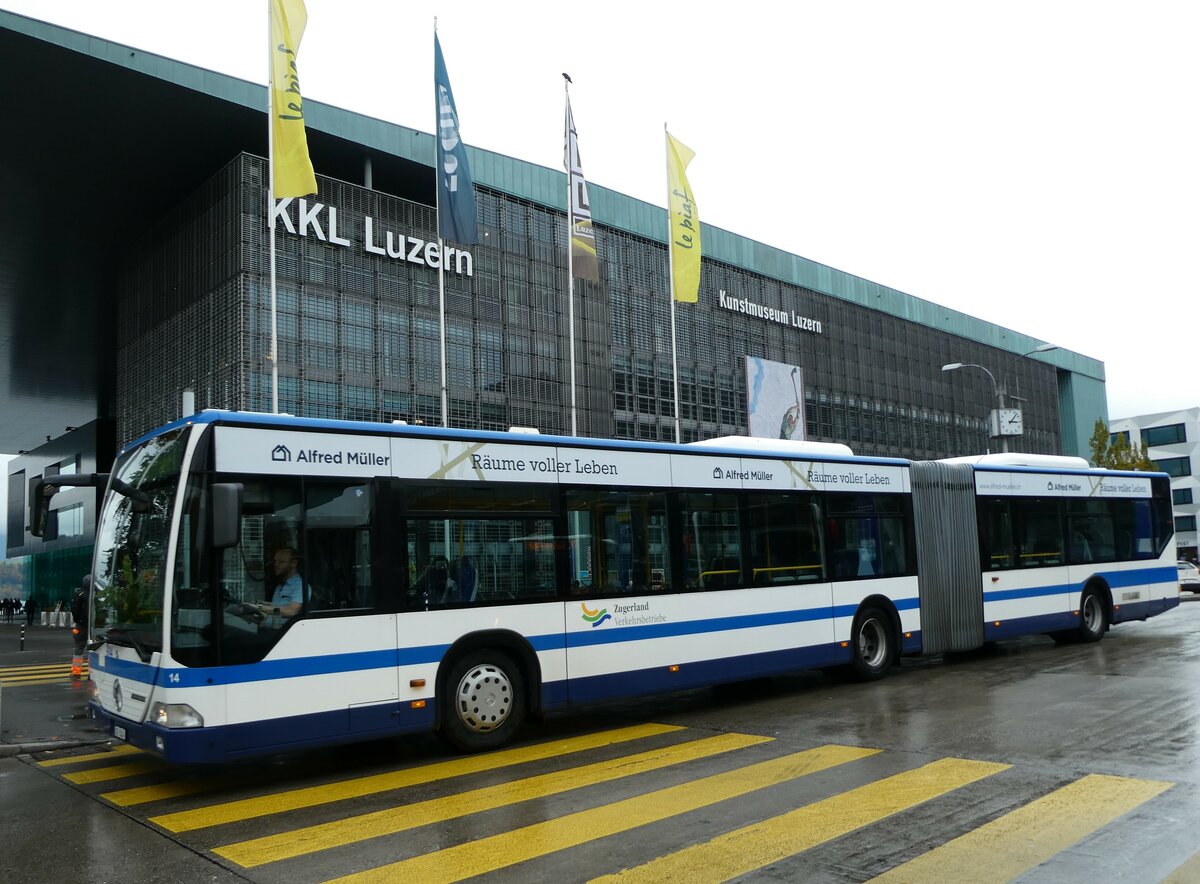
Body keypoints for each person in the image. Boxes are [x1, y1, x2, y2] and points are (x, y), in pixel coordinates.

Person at [248, 546, 306, 627]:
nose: (276, 565)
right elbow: (277, 607)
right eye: (275, 562)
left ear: (294, 563)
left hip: (283, 632)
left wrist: (259, 607)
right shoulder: (281, 586)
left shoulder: (300, 586)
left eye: (281, 562)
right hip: (269, 628)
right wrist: (256, 604)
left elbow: (292, 611)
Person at [70, 575, 91, 677]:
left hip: (82, 625)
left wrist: (78, 620)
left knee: (79, 647)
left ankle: (76, 672)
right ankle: (92, 673)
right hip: (95, 626)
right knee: (94, 649)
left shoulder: (80, 594)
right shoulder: (97, 594)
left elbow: (74, 609)